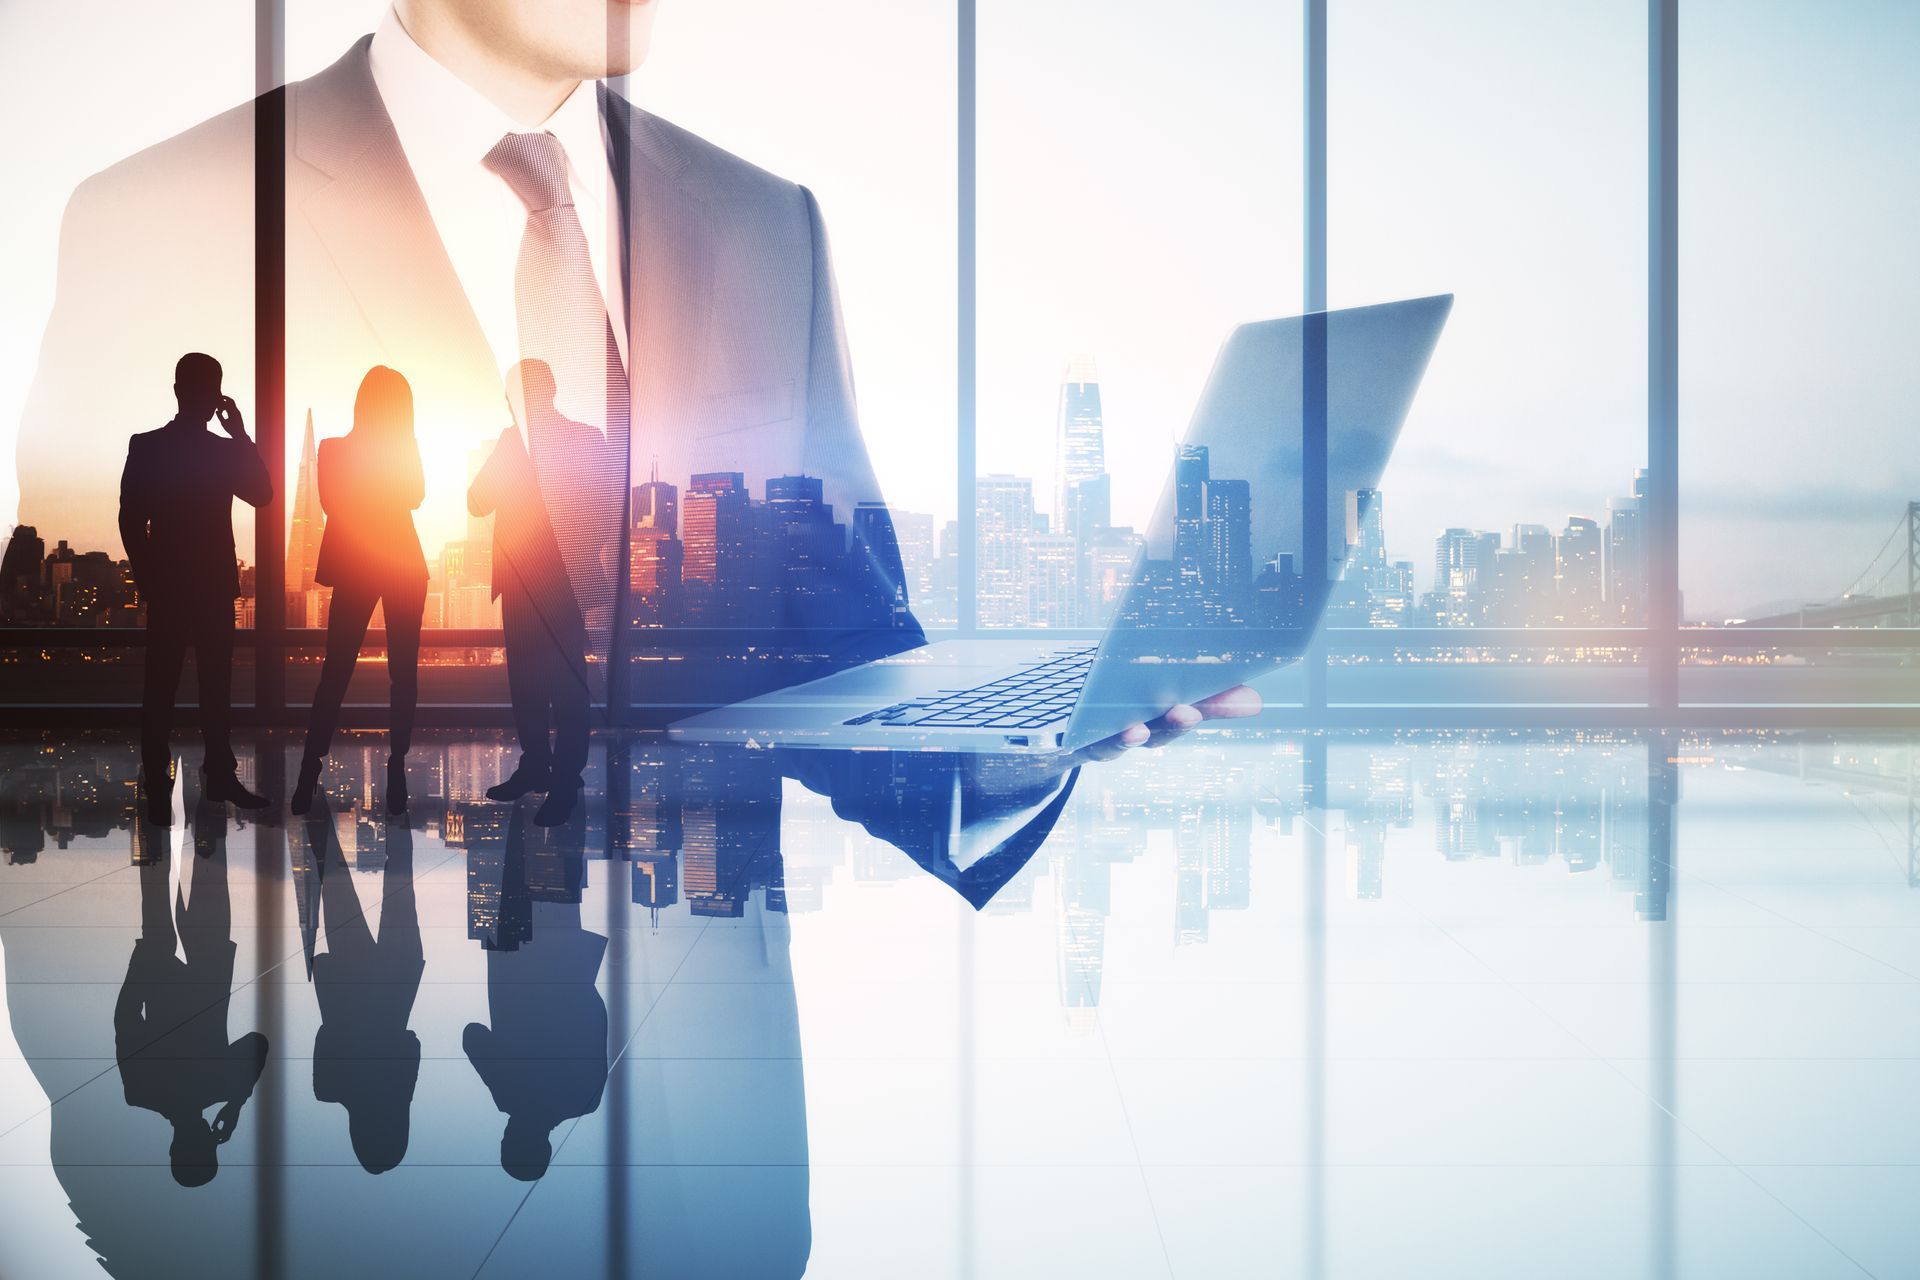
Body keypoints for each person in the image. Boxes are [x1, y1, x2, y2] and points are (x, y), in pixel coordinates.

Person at [25, 1, 1256, 773]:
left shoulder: (773, 225)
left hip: (705, 1131)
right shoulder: (153, 214)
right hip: (349, 1103)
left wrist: (1008, 743)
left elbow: (847, 643)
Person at [117, 353, 272, 824]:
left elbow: (130, 519)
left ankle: (160, 788)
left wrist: (147, 577)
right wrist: (240, 434)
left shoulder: (148, 446)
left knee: (160, 687)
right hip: (207, 585)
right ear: (212, 397)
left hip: (172, 585)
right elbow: (263, 494)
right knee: (214, 688)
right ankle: (217, 776)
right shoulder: (221, 452)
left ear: (177, 388)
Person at [467, 361, 604, 827]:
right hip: (547, 581)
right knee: (551, 684)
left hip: (545, 582)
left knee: (547, 685)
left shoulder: (524, 442)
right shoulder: (571, 439)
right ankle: (551, 772)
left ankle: (555, 775)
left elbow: (476, 500)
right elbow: (479, 499)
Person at [114, 791, 270, 1187]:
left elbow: (257, 1043)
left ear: (210, 1142)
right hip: (163, 963)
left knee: (209, 862)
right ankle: (159, 783)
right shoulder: (142, 1093)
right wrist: (145, 960)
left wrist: (235, 1102)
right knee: (164, 865)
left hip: (207, 964)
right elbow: (126, 1020)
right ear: (173, 1150)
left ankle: (207, 782)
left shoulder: (221, 1085)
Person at [292, 366, 429, 817]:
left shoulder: (337, 450)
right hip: (396, 561)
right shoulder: (354, 449)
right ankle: (390, 770)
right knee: (393, 674)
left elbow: (401, 495)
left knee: (342, 671)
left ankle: (315, 771)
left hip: (368, 564)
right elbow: (408, 496)